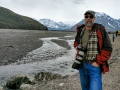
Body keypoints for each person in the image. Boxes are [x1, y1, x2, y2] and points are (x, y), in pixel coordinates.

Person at [73, 10, 112, 90]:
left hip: (94, 66)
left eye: (91, 17)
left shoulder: (100, 30)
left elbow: (108, 49)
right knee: (85, 88)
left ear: (94, 18)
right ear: (84, 18)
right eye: (86, 17)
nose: (89, 18)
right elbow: (76, 42)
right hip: (82, 65)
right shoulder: (81, 30)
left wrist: (98, 62)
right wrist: (77, 47)